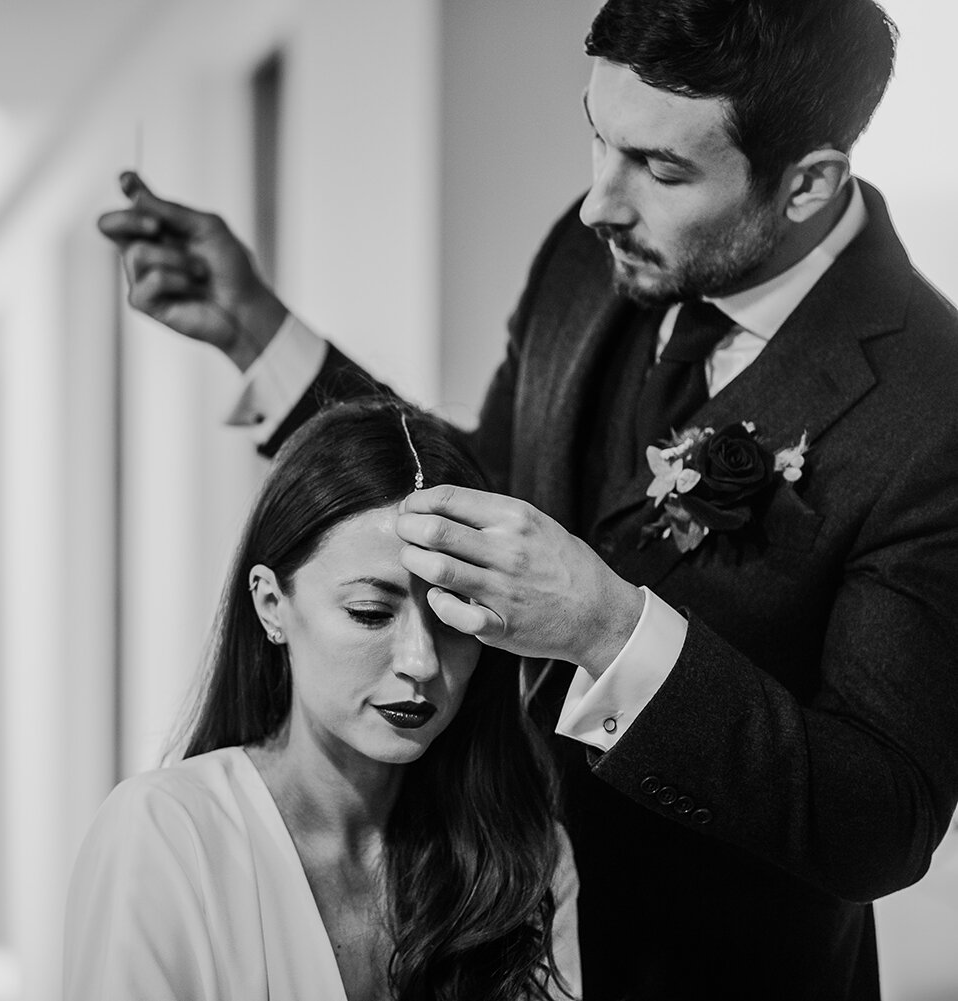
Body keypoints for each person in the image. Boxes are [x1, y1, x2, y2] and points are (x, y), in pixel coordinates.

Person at [97, 0, 958, 998]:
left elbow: (877, 820)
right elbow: (471, 490)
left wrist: (611, 629)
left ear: (809, 182)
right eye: (600, 136)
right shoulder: (589, 255)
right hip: (486, 940)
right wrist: (261, 334)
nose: (601, 202)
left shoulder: (933, 412)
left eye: (664, 168)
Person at [63, 400, 581, 1001]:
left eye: (452, 617)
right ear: (271, 605)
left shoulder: (523, 859)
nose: (420, 660)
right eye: (370, 613)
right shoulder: (167, 838)